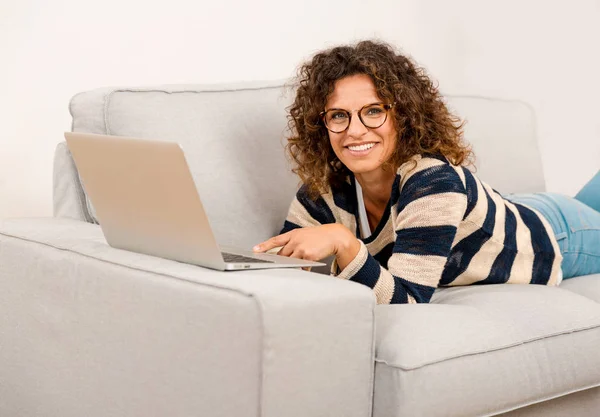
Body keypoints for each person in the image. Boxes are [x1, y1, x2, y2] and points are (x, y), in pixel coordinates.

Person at [253, 40, 600, 305]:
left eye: (373, 111)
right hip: (508, 210)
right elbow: (288, 267)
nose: (354, 130)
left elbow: (407, 299)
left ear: (403, 116)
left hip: (560, 235)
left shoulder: (433, 183)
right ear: (322, 124)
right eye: (338, 115)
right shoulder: (323, 189)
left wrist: (343, 243)